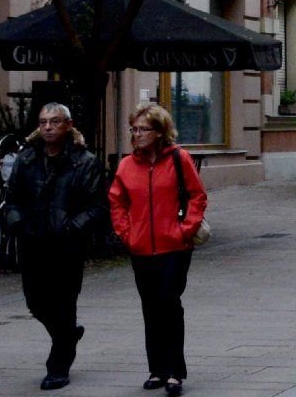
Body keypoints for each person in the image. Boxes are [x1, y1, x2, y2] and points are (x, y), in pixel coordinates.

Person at [2, 102, 105, 391]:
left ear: (68, 125)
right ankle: (68, 335)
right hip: (33, 241)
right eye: (43, 121)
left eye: (55, 121)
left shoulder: (84, 162)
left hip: (67, 245)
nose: (48, 127)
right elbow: (12, 198)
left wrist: (73, 228)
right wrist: (17, 221)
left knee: (63, 301)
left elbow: (98, 207)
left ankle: (58, 365)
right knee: (35, 302)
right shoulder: (27, 159)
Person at [108, 102, 207, 397]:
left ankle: (176, 371)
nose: (137, 134)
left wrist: (185, 229)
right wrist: (127, 234)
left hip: (173, 247)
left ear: (159, 131)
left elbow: (197, 196)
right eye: (134, 129)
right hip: (140, 249)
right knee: (150, 308)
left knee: (169, 304)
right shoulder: (127, 165)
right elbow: (117, 201)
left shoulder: (179, 159)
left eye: (143, 129)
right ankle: (157, 369)